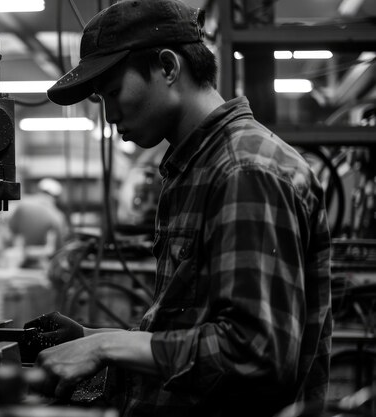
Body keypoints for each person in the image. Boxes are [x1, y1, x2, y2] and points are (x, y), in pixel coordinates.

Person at [23, 1, 332, 416]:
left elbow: (254, 354)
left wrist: (106, 345)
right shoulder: (195, 167)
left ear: (168, 68)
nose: (110, 115)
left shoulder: (244, 170)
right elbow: (192, 331)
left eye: (113, 93)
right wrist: (93, 339)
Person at [0, 178, 69, 269]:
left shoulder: (22, 204)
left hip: (17, 263)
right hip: (40, 265)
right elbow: (59, 249)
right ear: (56, 197)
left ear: (39, 190)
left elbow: (9, 234)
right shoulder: (58, 216)